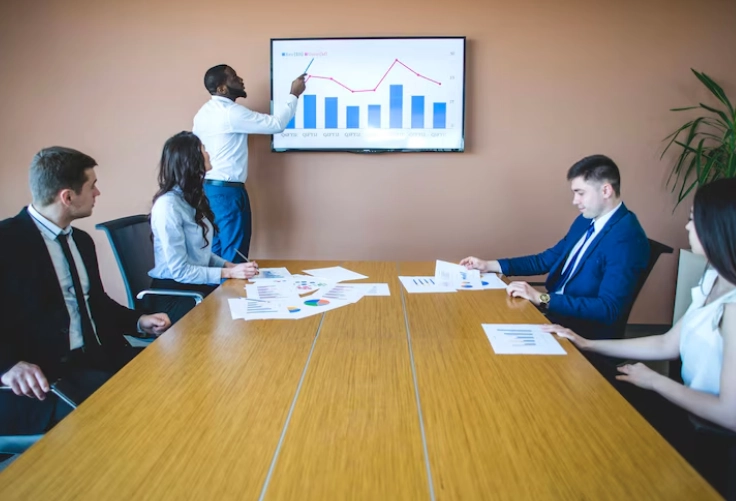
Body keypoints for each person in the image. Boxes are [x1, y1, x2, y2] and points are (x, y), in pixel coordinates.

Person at [542, 177, 736, 497]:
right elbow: (667, 343)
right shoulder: (713, 277)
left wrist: (655, 382)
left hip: (712, 440)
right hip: (686, 408)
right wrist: (587, 343)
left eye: (692, 219)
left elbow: (730, 414)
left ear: (718, 226)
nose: (687, 227)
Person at [0, 147, 171, 435]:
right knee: (134, 417)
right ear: (67, 197)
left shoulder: (81, 241)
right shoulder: (7, 243)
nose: (97, 193)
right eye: (92, 186)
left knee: (175, 378)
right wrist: (8, 365)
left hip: (98, 359)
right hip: (46, 383)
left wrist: (138, 320)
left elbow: (96, 302)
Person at [461, 155, 649, 340]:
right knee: (475, 322)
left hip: (580, 331)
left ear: (606, 190)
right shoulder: (587, 220)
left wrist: (542, 298)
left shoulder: (627, 238)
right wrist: (488, 265)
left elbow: (609, 309)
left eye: (580, 193)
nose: (575, 200)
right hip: (553, 314)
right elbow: (546, 260)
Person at [192, 64, 306, 263]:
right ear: (221, 88)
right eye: (234, 77)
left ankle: (215, 294)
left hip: (208, 190)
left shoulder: (203, 112)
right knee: (235, 255)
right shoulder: (231, 113)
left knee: (217, 253)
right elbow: (276, 125)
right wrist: (294, 94)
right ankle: (230, 293)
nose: (240, 80)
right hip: (227, 193)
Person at [148, 131, 259, 324]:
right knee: (235, 320)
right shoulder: (168, 206)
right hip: (175, 295)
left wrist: (230, 266)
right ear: (191, 160)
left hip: (194, 288)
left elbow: (200, 254)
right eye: (203, 149)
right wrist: (229, 273)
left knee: (247, 305)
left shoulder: (189, 199)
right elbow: (180, 271)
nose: (208, 153)